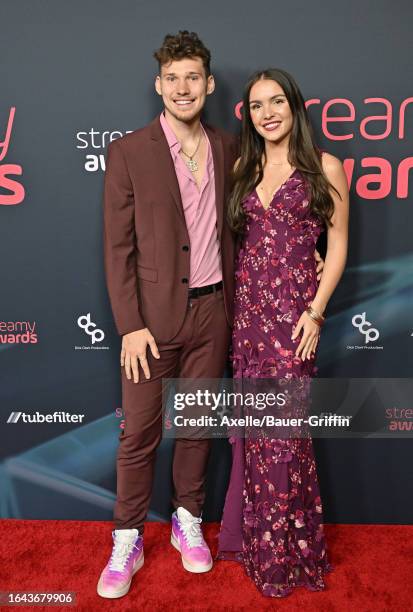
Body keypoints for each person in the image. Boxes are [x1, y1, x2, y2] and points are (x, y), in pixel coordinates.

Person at [97, 31, 238, 599]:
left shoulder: (229, 147)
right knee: (139, 436)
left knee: (197, 429)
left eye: (193, 77)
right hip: (150, 325)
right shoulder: (130, 151)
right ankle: (127, 537)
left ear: (208, 84)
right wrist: (130, 325)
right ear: (160, 85)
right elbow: (117, 248)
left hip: (213, 315)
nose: (183, 88)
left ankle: (187, 521)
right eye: (172, 78)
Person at [217, 68, 349, 598]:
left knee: (284, 439)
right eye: (256, 105)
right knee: (258, 436)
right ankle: (259, 544)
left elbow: (336, 245)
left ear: (294, 106)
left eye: (277, 101)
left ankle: (291, 552)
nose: (267, 112)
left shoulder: (324, 167)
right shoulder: (243, 167)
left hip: (295, 318)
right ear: (247, 115)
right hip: (248, 319)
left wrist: (315, 313)